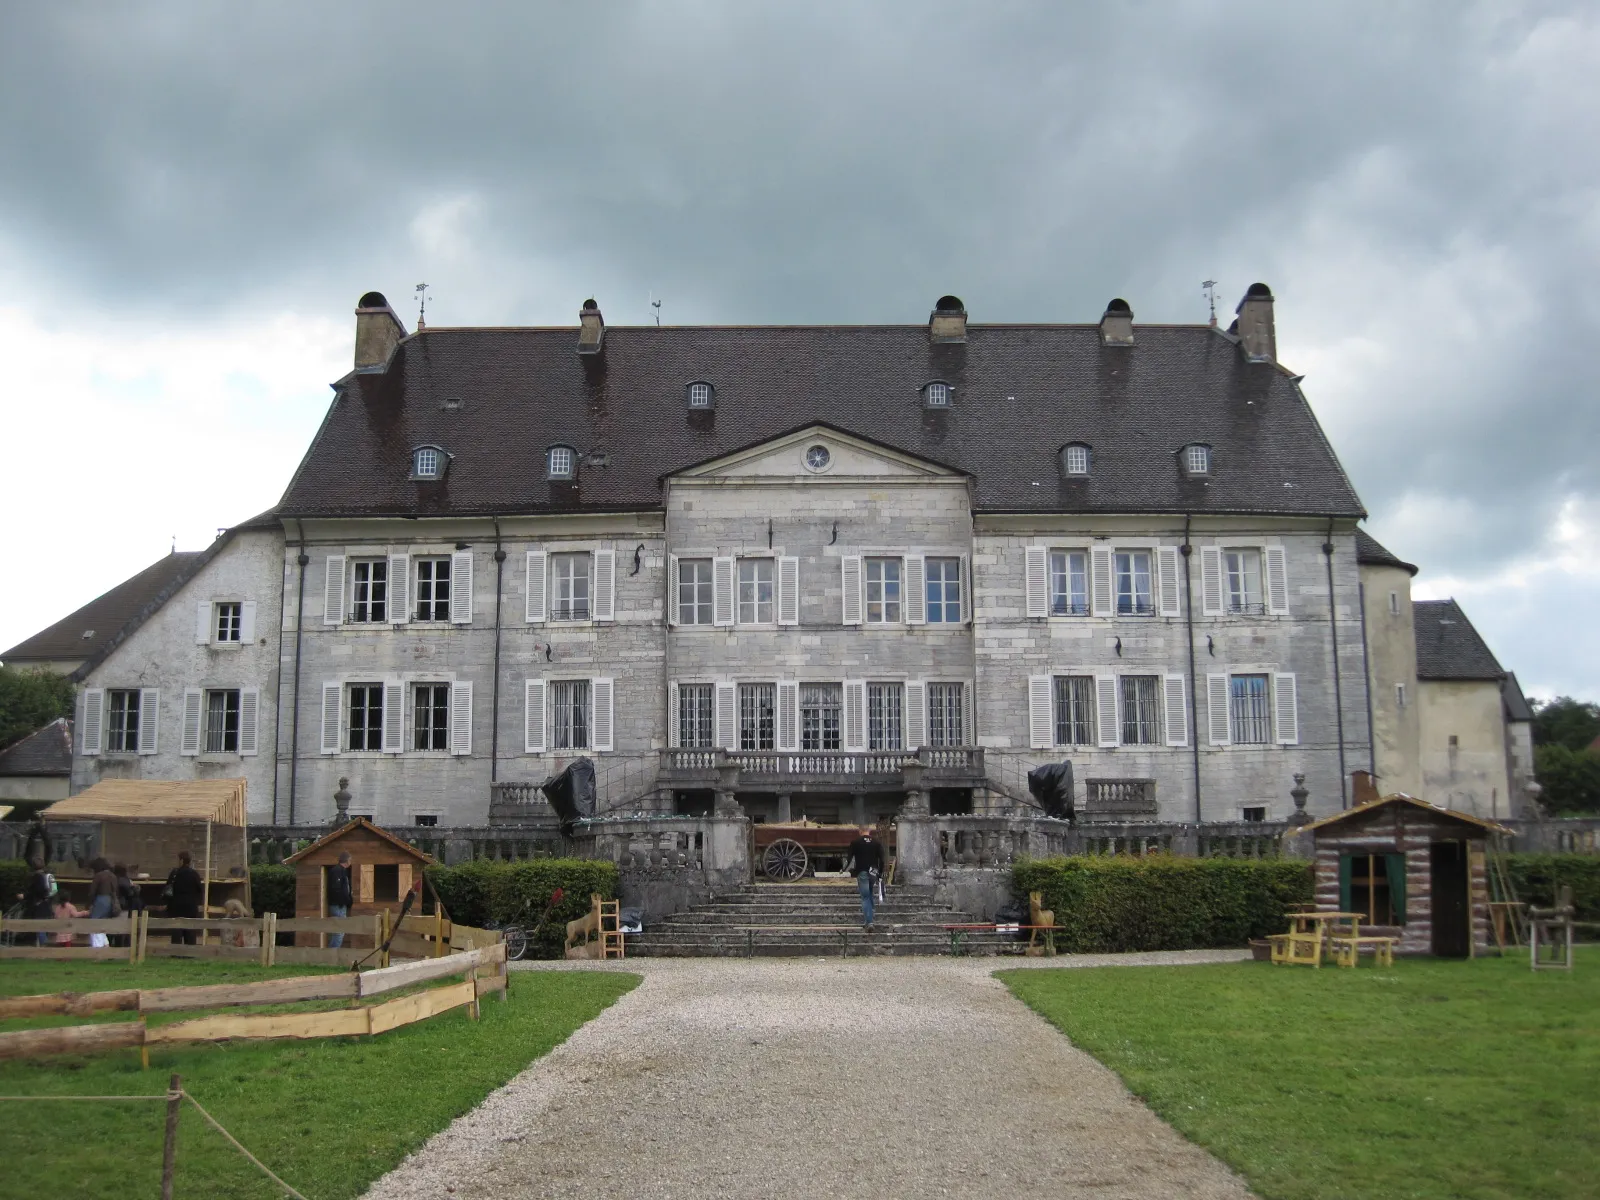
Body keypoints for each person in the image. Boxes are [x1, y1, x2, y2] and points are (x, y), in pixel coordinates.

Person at [846, 826, 886, 931]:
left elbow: (849, 858)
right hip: (873, 872)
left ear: (860, 832)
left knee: (865, 897)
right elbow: (882, 859)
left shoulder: (855, 842)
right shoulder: (877, 843)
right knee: (870, 894)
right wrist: (880, 872)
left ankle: (869, 922)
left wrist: (844, 869)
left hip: (862, 871)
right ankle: (869, 918)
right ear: (869, 831)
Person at [164, 851, 204, 945]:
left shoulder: (174, 873)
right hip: (190, 906)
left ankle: (176, 952)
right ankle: (189, 952)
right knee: (190, 930)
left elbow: (168, 889)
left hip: (176, 905)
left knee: (176, 931)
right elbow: (200, 890)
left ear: (181, 860)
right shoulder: (194, 874)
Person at [86, 857, 120, 948]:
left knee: (94, 925)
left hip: (101, 899)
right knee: (103, 925)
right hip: (111, 901)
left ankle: (97, 949)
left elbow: (92, 892)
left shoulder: (99, 876)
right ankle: (105, 945)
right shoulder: (113, 876)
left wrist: (89, 904)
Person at [23, 859, 56, 946]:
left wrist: (25, 896)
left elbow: (37, 891)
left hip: (39, 905)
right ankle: (41, 946)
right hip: (47, 905)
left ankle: (43, 948)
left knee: (40, 928)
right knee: (43, 927)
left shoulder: (37, 877)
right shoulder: (47, 875)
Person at [326, 851, 354, 949]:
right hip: (338, 906)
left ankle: (332, 955)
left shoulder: (341, 871)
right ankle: (332, 956)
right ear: (347, 860)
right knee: (339, 932)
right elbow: (337, 890)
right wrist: (346, 901)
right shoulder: (337, 871)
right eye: (350, 860)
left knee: (339, 931)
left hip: (340, 906)